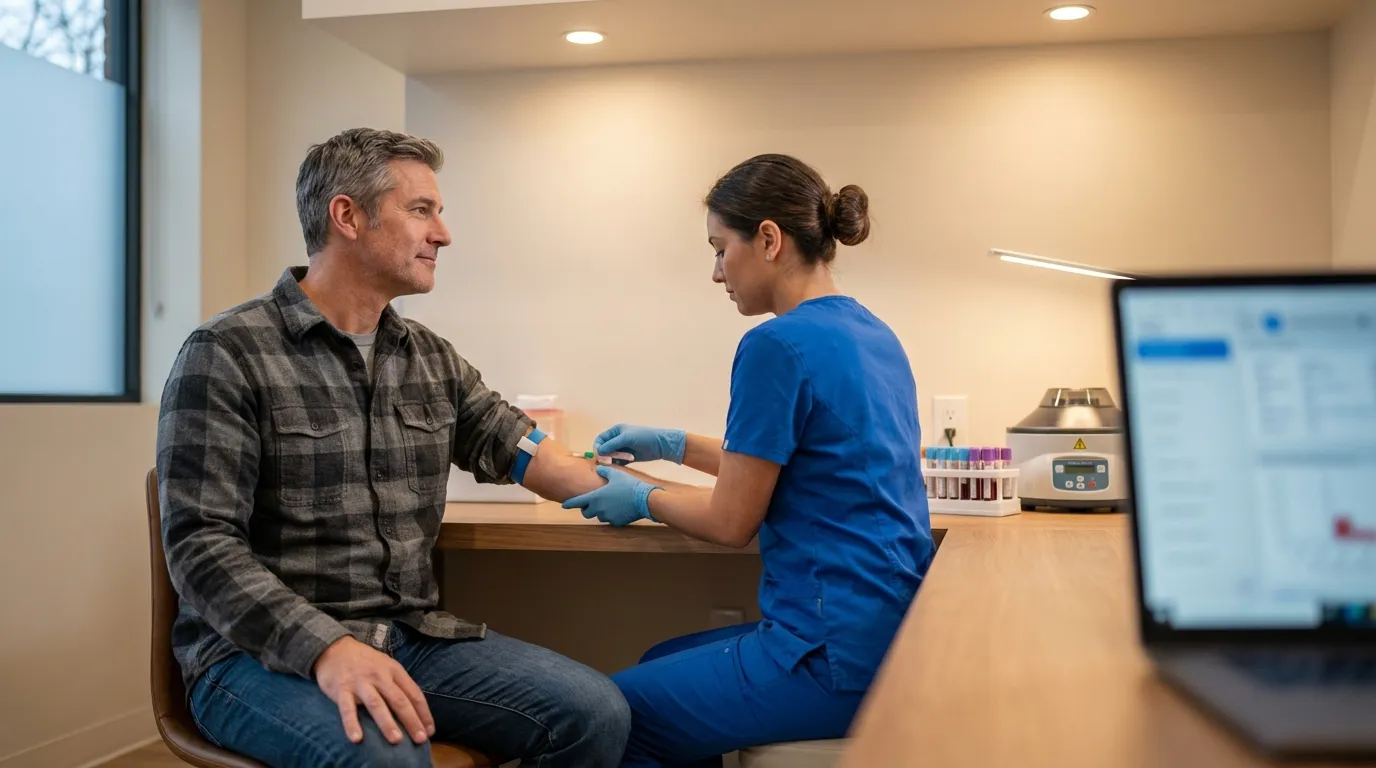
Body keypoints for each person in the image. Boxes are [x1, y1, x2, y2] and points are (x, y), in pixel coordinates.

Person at [155, 128, 630, 768]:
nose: (443, 233)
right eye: (421, 210)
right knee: (388, 756)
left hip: (405, 639)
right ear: (347, 216)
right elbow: (200, 544)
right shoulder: (227, 353)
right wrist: (325, 647)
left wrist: (650, 490)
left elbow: (522, 448)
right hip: (256, 654)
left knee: (594, 712)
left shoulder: (428, 357)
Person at [561, 154, 936, 766]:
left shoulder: (774, 345)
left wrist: (642, 497)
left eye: (718, 248)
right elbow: (805, 459)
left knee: (613, 712)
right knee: (660, 662)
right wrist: (675, 444)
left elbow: (732, 522)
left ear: (767, 239)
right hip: (888, 633)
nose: (716, 273)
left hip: (832, 653)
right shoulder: (872, 334)